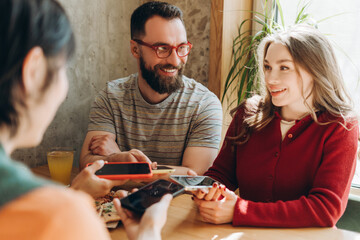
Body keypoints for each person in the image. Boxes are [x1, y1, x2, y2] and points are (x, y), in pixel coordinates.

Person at [0, 0, 170, 239]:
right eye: (62, 69)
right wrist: (148, 232)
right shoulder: (62, 217)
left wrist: (75, 192)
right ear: (33, 71)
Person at [192, 24, 359, 227]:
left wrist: (240, 211)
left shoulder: (341, 127)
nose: (271, 78)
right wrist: (204, 189)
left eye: (284, 67)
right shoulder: (248, 113)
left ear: (315, 71)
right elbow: (221, 174)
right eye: (268, 67)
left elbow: (325, 209)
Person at [80, 1, 223, 175]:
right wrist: (116, 159)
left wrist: (118, 160)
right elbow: (86, 165)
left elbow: (193, 175)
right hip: (117, 202)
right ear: (135, 49)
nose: (175, 61)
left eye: (182, 48)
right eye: (162, 48)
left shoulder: (205, 104)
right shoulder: (110, 97)